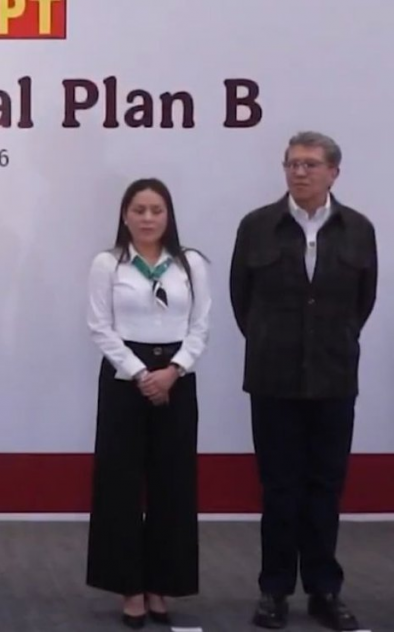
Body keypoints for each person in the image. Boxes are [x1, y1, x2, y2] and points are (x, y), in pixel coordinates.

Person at [229, 131, 376, 631]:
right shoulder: (257, 227)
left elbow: (362, 302)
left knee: (325, 487)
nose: (299, 172)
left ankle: (324, 589)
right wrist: (275, 342)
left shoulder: (358, 230)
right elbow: (242, 301)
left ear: (334, 172)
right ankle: (274, 591)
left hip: (334, 378)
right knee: (279, 488)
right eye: (292, 163)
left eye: (311, 164)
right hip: (274, 379)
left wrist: (330, 342)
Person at [85, 178, 210, 628]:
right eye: (139, 210)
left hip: (177, 380)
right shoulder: (108, 263)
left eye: (156, 210)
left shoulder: (190, 263)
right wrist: (140, 373)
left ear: (168, 215)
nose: (148, 218)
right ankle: (130, 588)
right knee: (119, 485)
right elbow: (100, 327)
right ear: (125, 216)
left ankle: (161, 584)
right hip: (125, 381)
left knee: (172, 485)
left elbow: (200, 325)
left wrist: (173, 369)